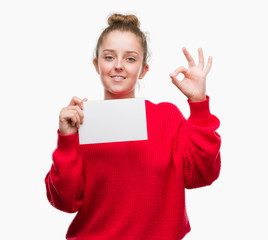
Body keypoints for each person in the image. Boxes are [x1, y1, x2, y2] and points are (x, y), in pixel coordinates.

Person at [44, 13, 221, 240]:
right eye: (109, 57)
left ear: (143, 69)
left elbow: (202, 174)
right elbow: (65, 202)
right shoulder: (80, 123)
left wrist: (199, 104)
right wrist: (66, 140)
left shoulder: (167, 116)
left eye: (130, 59)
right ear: (96, 65)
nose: (118, 66)